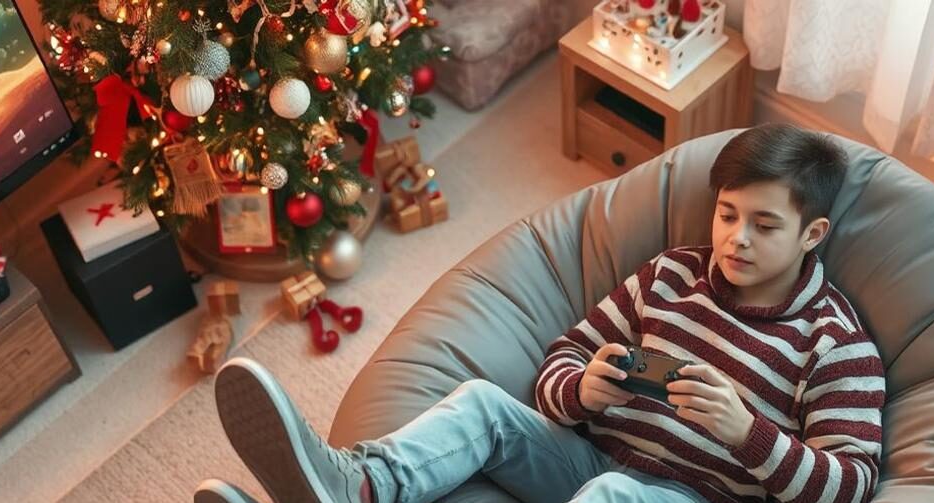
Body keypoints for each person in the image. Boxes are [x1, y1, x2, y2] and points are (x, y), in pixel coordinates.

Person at [196, 124, 886, 503]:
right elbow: (563, 357)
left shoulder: (834, 345)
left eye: (763, 225)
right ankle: (357, 485)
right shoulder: (673, 273)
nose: (735, 238)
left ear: (811, 234)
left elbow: (851, 486)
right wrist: (581, 391)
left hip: (693, 499)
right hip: (588, 459)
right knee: (480, 403)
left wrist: (747, 432)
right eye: (727, 214)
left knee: (615, 494)